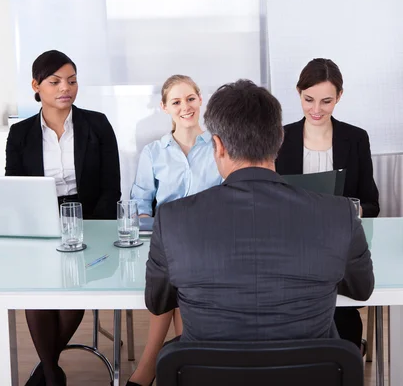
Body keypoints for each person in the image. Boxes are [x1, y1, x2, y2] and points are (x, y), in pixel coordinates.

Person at [145, 79, 374, 344]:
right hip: (310, 372)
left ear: (217, 146)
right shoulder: (339, 214)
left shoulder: (172, 219)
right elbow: (361, 289)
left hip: (207, 372)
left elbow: (158, 300)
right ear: (280, 139)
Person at [5, 50, 121, 386]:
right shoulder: (22, 133)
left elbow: (110, 186)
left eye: (71, 80)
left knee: (75, 289)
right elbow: (17, 189)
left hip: (90, 220)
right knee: (37, 289)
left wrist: (91, 230)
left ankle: (48, 370)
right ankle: (54, 374)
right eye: (54, 81)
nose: (65, 88)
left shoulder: (96, 124)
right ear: (36, 86)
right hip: (42, 221)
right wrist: (39, 228)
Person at [275, 58, 380, 352]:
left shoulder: (356, 138)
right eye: (309, 100)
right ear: (298, 93)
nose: (316, 110)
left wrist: (349, 210)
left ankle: (345, 353)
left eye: (326, 101)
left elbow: (372, 204)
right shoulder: (280, 137)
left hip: (338, 244)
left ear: (340, 97)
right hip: (290, 244)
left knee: (343, 316)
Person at [126, 75, 222, 386]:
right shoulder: (154, 152)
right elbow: (139, 201)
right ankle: (186, 366)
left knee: (178, 278)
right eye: (177, 102)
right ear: (164, 107)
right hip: (166, 242)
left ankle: (149, 369)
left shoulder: (219, 148)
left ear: (200, 99)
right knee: (177, 275)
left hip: (209, 244)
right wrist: (145, 217)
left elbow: (229, 196)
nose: (185, 107)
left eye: (190, 99)